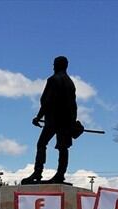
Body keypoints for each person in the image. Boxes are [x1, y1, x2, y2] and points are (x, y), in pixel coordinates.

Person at [22, 56, 77, 185]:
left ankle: (38, 172)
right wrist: (72, 122)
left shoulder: (53, 80)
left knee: (41, 144)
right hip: (66, 121)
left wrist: (38, 117)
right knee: (63, 148)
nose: (53, 67)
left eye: (54, 64)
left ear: (58, 65)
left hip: (53, 120)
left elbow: (47, 102)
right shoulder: (70, 82)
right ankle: (60, 174)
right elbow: (73, 105)